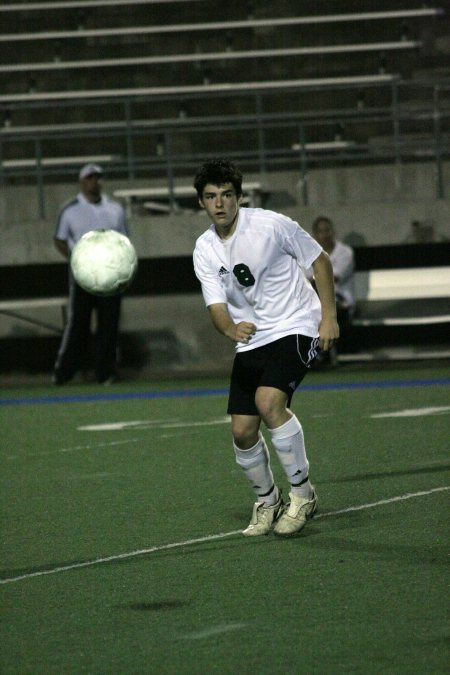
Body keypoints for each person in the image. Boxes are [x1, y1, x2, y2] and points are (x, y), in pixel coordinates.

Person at [193, 158, 339, 537]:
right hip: (253, 337)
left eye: (227, 194)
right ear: (202, 203)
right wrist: (229, 329)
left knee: (269, 402)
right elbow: (216, 309)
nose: (220, 203)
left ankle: (303, 494)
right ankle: (268, 499)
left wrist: (328, 317)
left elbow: (320, 261)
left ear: (240, 197)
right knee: (242, 431)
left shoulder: (272, 225)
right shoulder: (205, 249)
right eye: (211, 197)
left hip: (296, 322)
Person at [53, 163, 128, 385]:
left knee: (109, 324)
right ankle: (64, 373)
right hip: (83, 276)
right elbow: (59, 239)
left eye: (98, 178)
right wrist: (76, 258)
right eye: (89, 178)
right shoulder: (69, 210)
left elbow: (124, 239)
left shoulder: (115, 209)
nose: (94, 182)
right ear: (82, 182)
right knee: (79, 324)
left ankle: (106, 373)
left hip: (110, 275)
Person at [309, 216, 355, 360]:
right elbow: (304, 279)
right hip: (312, 300)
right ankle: (314, 354)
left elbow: (332, 279)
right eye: (320, 231)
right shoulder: (308, 251)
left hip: (341, 300)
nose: (324, 234)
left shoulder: (345, 252)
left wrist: (315, 278)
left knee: (323, 308)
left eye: (327, 230)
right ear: (315, 234)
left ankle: (322, 352)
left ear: (333, 231)